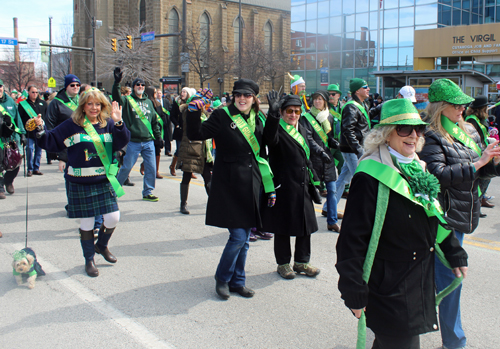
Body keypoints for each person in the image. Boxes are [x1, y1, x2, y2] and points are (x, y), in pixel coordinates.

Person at [336, 98, 469, 349]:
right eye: (404, 129)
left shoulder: (418, 167)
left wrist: (454, 252)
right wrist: (352, 288)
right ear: (386, 134)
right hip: (389, 286)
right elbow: (352, 240)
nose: (413, 135)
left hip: (417, 278)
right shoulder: (370, 175)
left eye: (418, 129)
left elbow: (433, 216)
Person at [419, 79, 500, 349]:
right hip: (443, 218)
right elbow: (438, 175)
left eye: (463, 105)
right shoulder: (430, 135)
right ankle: (454, 342)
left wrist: (493, 162)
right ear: (440, 107)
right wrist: (479, 162)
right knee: (452, 280)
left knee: (441, 278)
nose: (462, 109)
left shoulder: (469, 131)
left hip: (465, 214)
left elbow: (480, 174)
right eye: (456, 105)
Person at [186, 78, 275, 300]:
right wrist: (192, 112)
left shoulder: (259, 118)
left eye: (247, 95)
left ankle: (238, 281)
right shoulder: (221, 115)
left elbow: (271, 143)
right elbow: (197, 134)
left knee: (244, 238)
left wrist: (274, 113)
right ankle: (222, 278)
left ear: (254, 98)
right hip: (228, 183)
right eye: (238, 95)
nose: (242, 99)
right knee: (238, 236)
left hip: (252, 182)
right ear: (233, 97)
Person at [34, 88, 130, 277]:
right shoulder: (72, 124)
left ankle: (101, 246)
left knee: (113, 218)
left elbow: (121, 142)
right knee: (87, 223)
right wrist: (39, 128)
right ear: (83, 106)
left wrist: (119, 122)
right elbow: (50, 140)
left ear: (102, 106)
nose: (94, 108)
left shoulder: (108, 123)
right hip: (79, 181)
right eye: (90, 103)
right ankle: (89, 260)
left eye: (98, 104)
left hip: (103, 180)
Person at [262, 93, 322, 279]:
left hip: (303, 185)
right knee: (283, 228)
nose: (293, 115)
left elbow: (306, 157)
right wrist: (272, 115)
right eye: (289, 111)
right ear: (282, 112)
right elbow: (269, 139)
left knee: (305, 225)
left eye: (297, 111)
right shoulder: (277, 130)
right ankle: (283, 264)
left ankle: (302, 262)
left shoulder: (302, 129)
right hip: (284, 185)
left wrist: (316, 180)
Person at [112, 67, 162, 202]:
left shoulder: (149, 102)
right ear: (134, 87)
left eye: (142, 85)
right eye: (138, 85)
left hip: (148, 141)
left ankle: (148, 191)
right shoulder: (128, 100)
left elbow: (153, 121)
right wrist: (117, 83)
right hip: (133, 141)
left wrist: (158, 137)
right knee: (127, 167)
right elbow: (116, 98)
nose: (140, 86)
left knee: (151, 168)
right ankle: (114, 191)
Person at [301, 90, 340, 232]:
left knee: (332, 190)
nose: (317, 102)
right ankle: (306, 221)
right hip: (314, 159)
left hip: (327, 159)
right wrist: (320, 151)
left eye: (320, 99)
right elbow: (309, 139)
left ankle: (332, 221)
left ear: (324, 101)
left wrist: (334, 143)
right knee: (310, 192)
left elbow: (328, 136)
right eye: (315, 99)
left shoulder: (328, 117)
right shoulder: (306, 118)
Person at [177, 88, 214, 214]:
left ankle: (214, 204)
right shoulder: (189, 111)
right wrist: (198, 100)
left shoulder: (205, 114)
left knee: (207, 177)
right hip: (190, 148)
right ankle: (183, 204)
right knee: (186, 176)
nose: (202, 104)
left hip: (204, 150)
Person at [335, 78, 371, 204]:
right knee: (361, 180)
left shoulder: (363, 105)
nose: (368, 89)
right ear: (357, 90)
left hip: (354, 149)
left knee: (343, 180)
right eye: (365, 87)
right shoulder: (351, 107)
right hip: (353, 150)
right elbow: (347, 131)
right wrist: (359, 150)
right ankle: (359, 211)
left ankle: (329, 208)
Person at [46, 74, 82, 173]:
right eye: (72, 85)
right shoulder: (56, 103)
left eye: (78, 85)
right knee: (70, 174)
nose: (76, 87)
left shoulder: (83, 101)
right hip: (65, 144)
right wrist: (51, 146)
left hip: (82, 142)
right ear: (66, 87)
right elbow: (50, 124)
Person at [465, 95, 495, 212]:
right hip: (476, 153)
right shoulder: (471, 120)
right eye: (486, 107)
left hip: (482, 151)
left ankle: (480, 200)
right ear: (481, 108)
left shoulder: (478, 119)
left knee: (486, 177)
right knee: (481, 179)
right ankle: (476, 204)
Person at [0, 79, 26, 199]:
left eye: (0, 86)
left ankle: (8, 181)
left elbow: (18, 119)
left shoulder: (10, 101)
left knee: (15, 162)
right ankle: (0, 188)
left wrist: (22, 134)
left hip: (11, 138)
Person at [19, 85, 47, 177]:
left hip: (39, 131)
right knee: (30, 149)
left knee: (39, 151)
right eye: (32, 92)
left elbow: (46, 117)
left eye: (36, 92)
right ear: (28, 93)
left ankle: (36, 168)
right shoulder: (23, 104)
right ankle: (30, 169)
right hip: (29, 132)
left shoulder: (43, 103)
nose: (35, 94)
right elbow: (20, 118)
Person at [169, 87, 197, 176]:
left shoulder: (191, 104)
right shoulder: (176, 103)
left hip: (189, 130)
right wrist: (177, 125)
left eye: (184, 92)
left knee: (189, 152)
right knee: (179, 150)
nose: (182, 93)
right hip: (180, 130)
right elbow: (172, 116)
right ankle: (172, 166)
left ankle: (189, 171)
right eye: (182, 91)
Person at [140, 86, 167, 179]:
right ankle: (144, 165)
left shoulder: (158, 104)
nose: (156, 94)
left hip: (157, 131)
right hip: (148, 131)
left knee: (157, 151)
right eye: (155, 92)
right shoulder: (146, 103)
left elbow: (162, 116)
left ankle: (156, 171)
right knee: (149, 152)